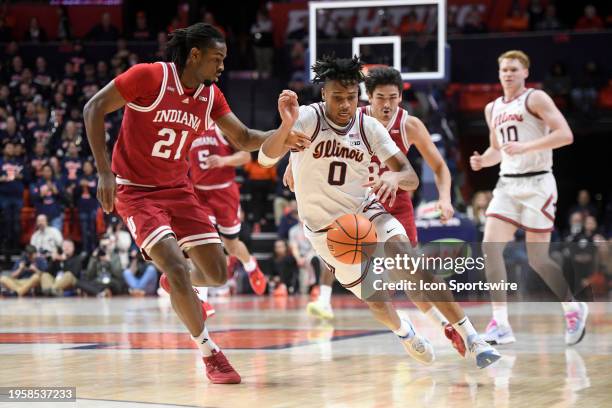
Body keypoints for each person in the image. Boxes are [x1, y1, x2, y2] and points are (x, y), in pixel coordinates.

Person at [83, 23, 309, 384]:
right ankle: (210, 353)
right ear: (194, 55)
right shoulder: (149, 76)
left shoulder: (210, 96)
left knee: (218, 273)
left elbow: (246, 138)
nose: (222, 66)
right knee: (173, 263)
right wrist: (103, 171)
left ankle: (177, 284)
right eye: (217, 59)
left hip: (179, 190)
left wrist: (284, 133)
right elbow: (94, 108)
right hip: (136, 191)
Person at [259, 56, 500, 368]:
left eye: (350, 98)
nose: (345, 105)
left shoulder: (368, 126)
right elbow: (265, 160)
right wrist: (287, 126)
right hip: (325, 229)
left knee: (411, 263)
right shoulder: (306, 118)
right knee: (377, 298)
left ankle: (472, 337)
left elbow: (410, 176)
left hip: (366, 209)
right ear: (323, 95)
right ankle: (405, 332)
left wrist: (394, 176)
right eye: (337, 98)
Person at [297, 66, 465, 355]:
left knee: (410, 276)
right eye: (380, 98)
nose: (386, 105)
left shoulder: (408, 125)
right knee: (340, 249)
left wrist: (445, 199)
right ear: (368, 98)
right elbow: (310, 146)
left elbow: (438, 167)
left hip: (396, 205)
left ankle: (445, 325)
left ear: (400, 98)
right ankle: (325, 298)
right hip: (356, 202)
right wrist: (292, 167)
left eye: (393, 98)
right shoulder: (352, 116)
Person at [470, 50, 588, 346]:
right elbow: (497, 149)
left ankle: (572, 308)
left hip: (538, 184)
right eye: (503, 70)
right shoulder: (492, 108)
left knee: (538, 259)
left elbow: (565, 135)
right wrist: (483, 161)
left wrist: (527, 147)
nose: (507, 74)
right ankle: (501, 323)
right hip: (507, 185)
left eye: (513, 69)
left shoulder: (536, 99)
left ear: (525, 72)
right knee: (490, 247)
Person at [188, 124, 267, 295]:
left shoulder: (220, 127)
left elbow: (246, 156)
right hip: (200, 194)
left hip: (224, 192)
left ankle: (251, 266)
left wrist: (224, 160)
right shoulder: (188, 129)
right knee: (203, 242)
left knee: (231, 246)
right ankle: (202, 297)